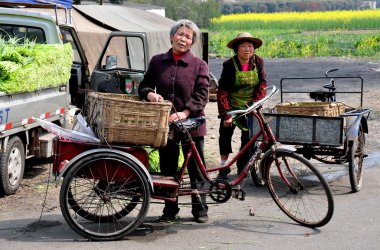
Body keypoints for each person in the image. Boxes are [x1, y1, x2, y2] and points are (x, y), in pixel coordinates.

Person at [138, 19, 209, 223]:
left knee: (197, 168)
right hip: (166, 125)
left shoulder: (199, 65)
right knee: (168, 169)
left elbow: (202, 93)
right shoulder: (158, 61)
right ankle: (170, 209)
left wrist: (186, 112)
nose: (183, 39)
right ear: (171, 37)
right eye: (180, 34)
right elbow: (143, 86)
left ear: (192, 41)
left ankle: (200, 210)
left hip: (192, 125)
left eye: (188, 36)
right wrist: (150, 94)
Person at [217, 32, 267, 180]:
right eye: (244, 46)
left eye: (250, 46)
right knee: (225, 135)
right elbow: (222, 90)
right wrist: (226, 114)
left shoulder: (258, 61)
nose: (247, 49)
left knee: (249, 139)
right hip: (232, 106)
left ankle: (243, 169)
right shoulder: (229, 65)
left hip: (251, 106)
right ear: (237, 49)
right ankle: (223, 167)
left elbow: (262, 84)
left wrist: (255, 103)